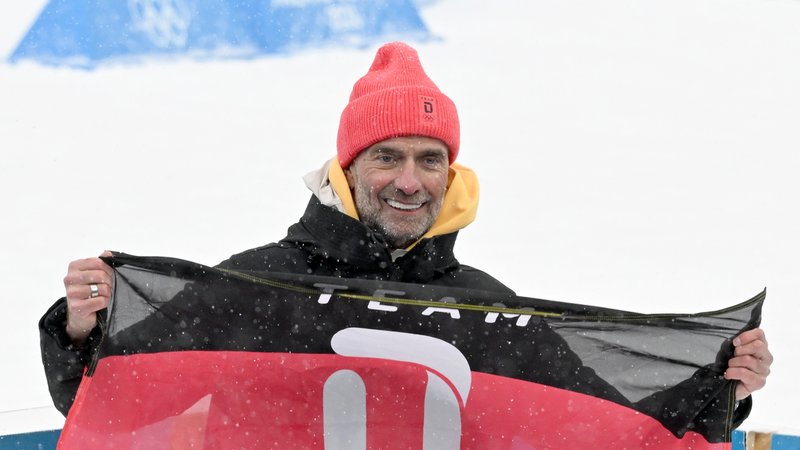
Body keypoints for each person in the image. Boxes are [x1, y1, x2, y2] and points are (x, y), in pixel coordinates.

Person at [39, 42, 773, 422]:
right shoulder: (256, 287)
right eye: (386, 156)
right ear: (349, 168)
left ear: (451, 177)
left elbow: (604, 423)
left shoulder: (490, 312)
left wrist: (721, 387)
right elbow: (110, 402)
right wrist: (84, 329)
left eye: (430, 160)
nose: (408, 180)